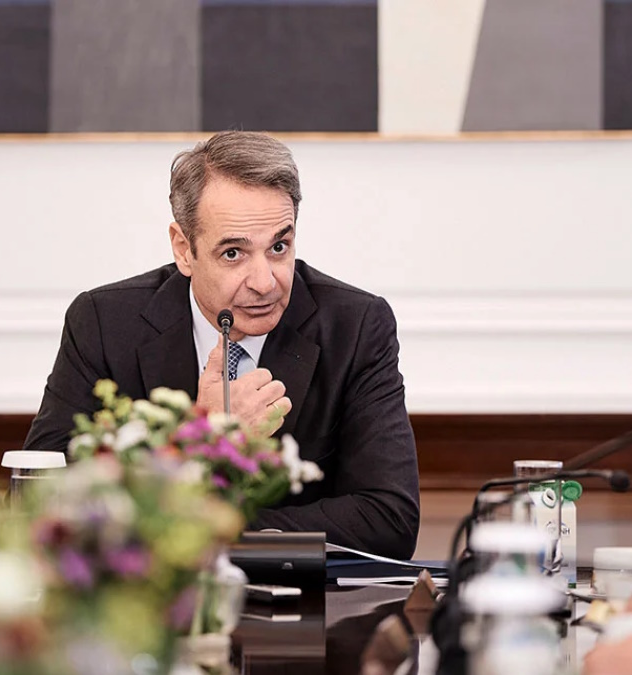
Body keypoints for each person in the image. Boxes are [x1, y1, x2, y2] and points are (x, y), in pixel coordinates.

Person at [24, 131, 421, 559]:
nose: (265, 282)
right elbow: (42, 498)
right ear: (184, 250)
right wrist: (199, 443)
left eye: (279, 247)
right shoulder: (104, 323)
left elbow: (390, 519)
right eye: (233, 253)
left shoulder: (355, 326)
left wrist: (211, 530)